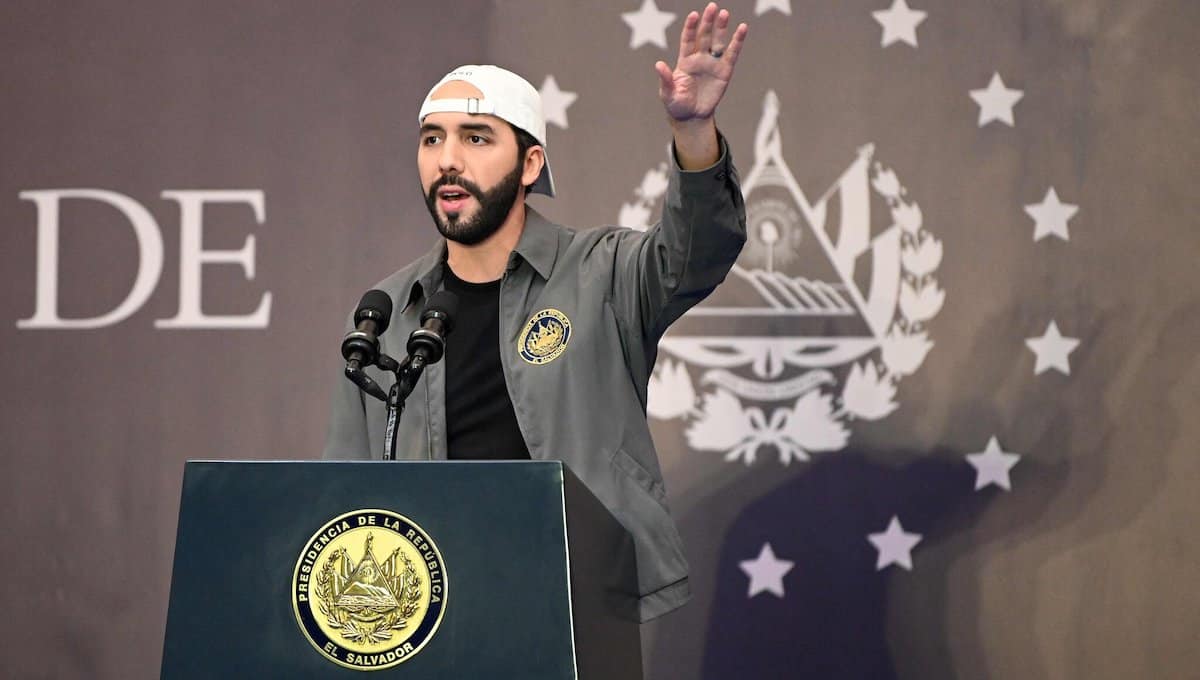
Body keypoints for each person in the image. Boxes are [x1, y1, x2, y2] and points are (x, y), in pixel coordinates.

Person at [324, 3, 749, 622]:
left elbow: (700, 249)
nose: (448, 159)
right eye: (432, 138)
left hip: (572, 602)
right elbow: (341, 492)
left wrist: (694, 134)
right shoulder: (385, 313)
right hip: (428, 614)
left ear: (529, 164)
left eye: (475, 138)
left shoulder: (602, 271)